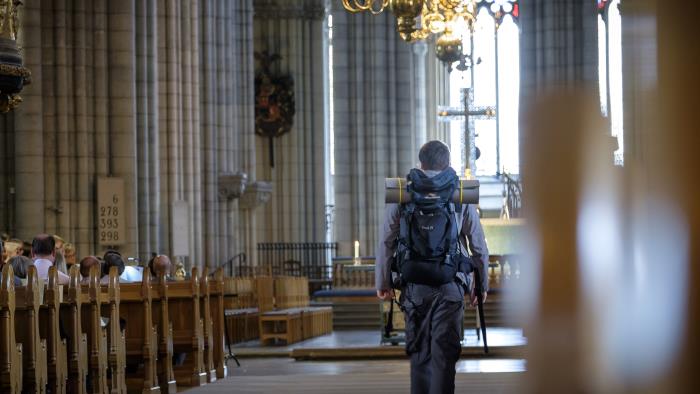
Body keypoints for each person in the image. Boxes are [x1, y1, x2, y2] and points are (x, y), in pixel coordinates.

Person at [375, 140, 489, 394]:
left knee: (420, 357)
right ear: (447, 163)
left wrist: (382, 282)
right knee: (444, 357)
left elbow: (386, 241)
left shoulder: (402, 190)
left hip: (415, 288)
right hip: (451, 285)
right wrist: (481, 285)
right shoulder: (462, 190)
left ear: (421, 163)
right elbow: (478, 244)